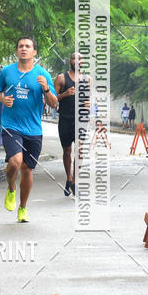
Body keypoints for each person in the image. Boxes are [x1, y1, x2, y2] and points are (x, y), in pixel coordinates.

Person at [0, 37, 57, 222]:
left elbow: (54, 103)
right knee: (15, 162)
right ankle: (11, 187)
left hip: (33, 129)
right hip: (11, 125)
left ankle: (23, 208)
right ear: (17, 51)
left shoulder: (43, 74)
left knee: (27, 169)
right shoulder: (7, 71)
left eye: (28, 46)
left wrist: (46, 89)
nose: (24, 48)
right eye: (21, 46)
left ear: (34, 52)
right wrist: (3, 99)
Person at [53, 52, 88, 197]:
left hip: (81, 120)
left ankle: (75, 182)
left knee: (80, 150)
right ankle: (68, 178)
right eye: (75, 58)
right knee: (67, 151)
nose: (77, 61)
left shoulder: (88, 80)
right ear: (70, 61)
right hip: (65, 119)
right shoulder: (61, 78)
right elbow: (52, 99)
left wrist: (89, 106)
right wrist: (65, 94)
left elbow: (90, 100)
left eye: (80, 59)